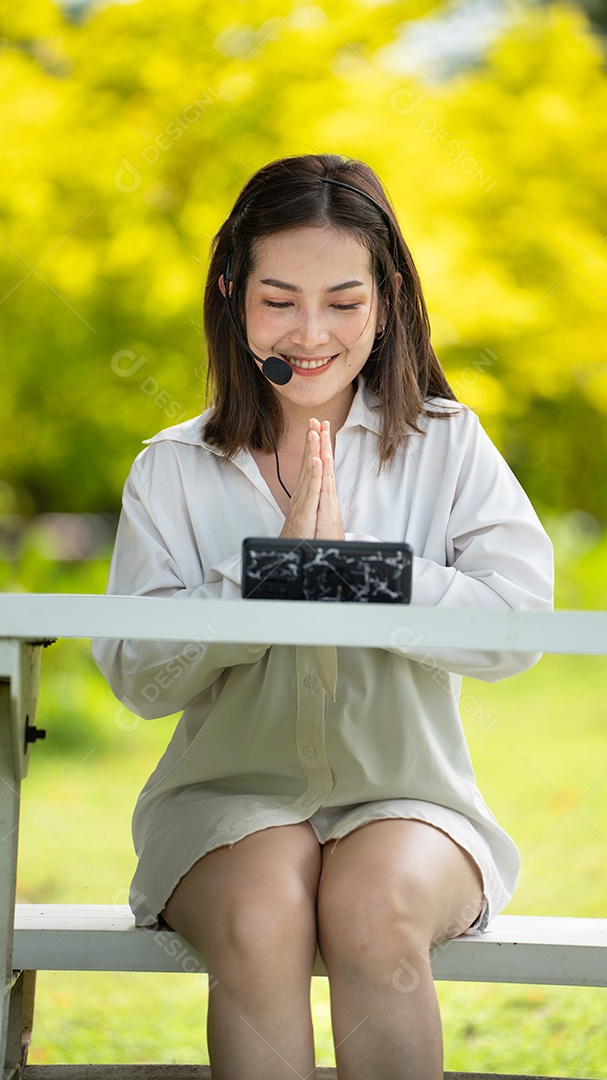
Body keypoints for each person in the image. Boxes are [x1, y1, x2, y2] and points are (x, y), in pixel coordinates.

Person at [92, 152, 553, 1080]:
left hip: (410, 801)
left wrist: (358, 574)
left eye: (343, 302)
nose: (310, 332)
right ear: (232, 295)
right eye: (278, 299)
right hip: (222, 803)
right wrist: (264, 582)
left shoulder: (447, 444)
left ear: (385, 303)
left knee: (372, 908)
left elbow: (516, 632)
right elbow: (139, 677)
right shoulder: (172, 469)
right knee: (263, 915)